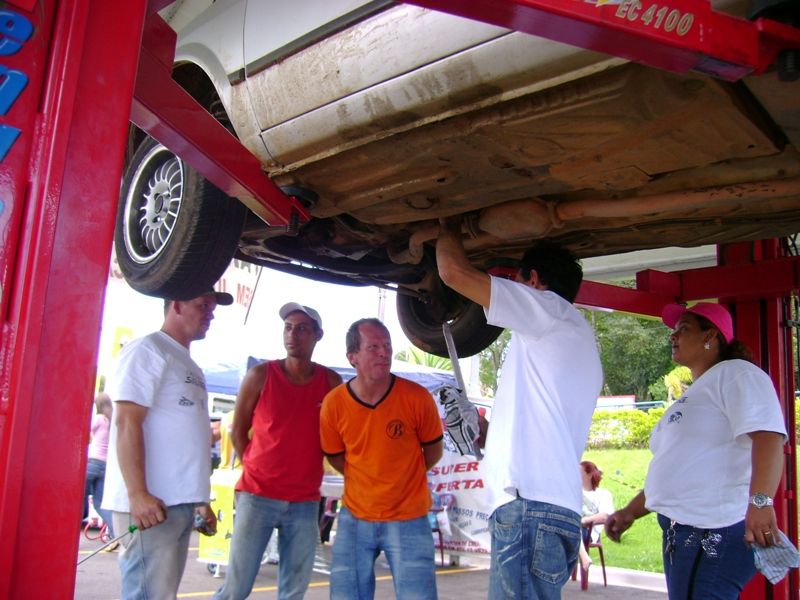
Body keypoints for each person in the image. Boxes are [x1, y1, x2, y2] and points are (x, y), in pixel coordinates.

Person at [436, 217, 603, 599]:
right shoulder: (572, 336)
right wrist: (486, 432)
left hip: (531, 509)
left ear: (533, 281)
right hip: (550, 509)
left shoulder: (548, 310)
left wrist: (447, 222)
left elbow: (452, 272)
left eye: (517, 281)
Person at [605, 302, 787, 599]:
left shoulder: (737, 373)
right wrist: (630, 512)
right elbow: (677, 467)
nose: (672, 335)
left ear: (709, 335)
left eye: (684, 328)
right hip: (685, 532)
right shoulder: (697, 393)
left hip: (711, 531)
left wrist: (761, 503)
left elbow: (768, 436)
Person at [103, 290, 233, 599]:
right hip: (152, 506)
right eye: (203, 305)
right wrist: (138, 495)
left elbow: (186, 435)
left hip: (177, 504)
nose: (211, 313)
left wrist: (199, 499)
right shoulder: (148, 349)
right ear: (177, 305)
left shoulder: (186, 361)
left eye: (212, 307)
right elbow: (127, 423)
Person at [214, 303, 342, 600]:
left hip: (304, 501)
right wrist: (254, 467)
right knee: (236, 588)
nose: (292, 334)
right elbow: (238, 430)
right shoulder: (260, 375)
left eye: (302, 328)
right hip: (257, 496)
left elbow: (340, 436)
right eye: (288, 327)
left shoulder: (331, 383)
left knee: (293, 592)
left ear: (318, 335)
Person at [320, 318, 444, 600]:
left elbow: (433, 451)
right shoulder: (334, 403)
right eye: (373, 346)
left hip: (409, 518)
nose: (384, 352)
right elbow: (336, 457)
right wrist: (367, 477)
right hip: (355, 517)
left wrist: (402, 477)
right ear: (352, 357)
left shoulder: (417, 397)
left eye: (387, 345)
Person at [83, 392, 116, 548]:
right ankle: (116, 535)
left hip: (93, 462)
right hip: (105, 465)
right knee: (100, 503)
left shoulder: (99, 419)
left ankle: (69, 527)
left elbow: (84, 431)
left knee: (79, 497)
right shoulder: (112, 421)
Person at [578, 461, 614, 570]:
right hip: (571, 526)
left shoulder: (602, 494)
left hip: (589, 532)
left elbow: (605, 516)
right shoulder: (574, 492)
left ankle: (584, 557)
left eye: (579, 472)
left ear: (590, 475)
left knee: (573, 527)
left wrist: (585, 520)